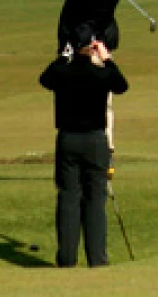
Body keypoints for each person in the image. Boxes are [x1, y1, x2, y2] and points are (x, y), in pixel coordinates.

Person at [39, 26, 129, 268]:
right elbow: (121, 85)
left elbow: (45, 78)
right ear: (92, 45)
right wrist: (107, 59)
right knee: (95, 199)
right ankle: (97, 258)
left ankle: (67, 258)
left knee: (68, 196)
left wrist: (62, 57)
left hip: (68, 138)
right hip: (95, 140)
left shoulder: (63, 72)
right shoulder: (99, 73)